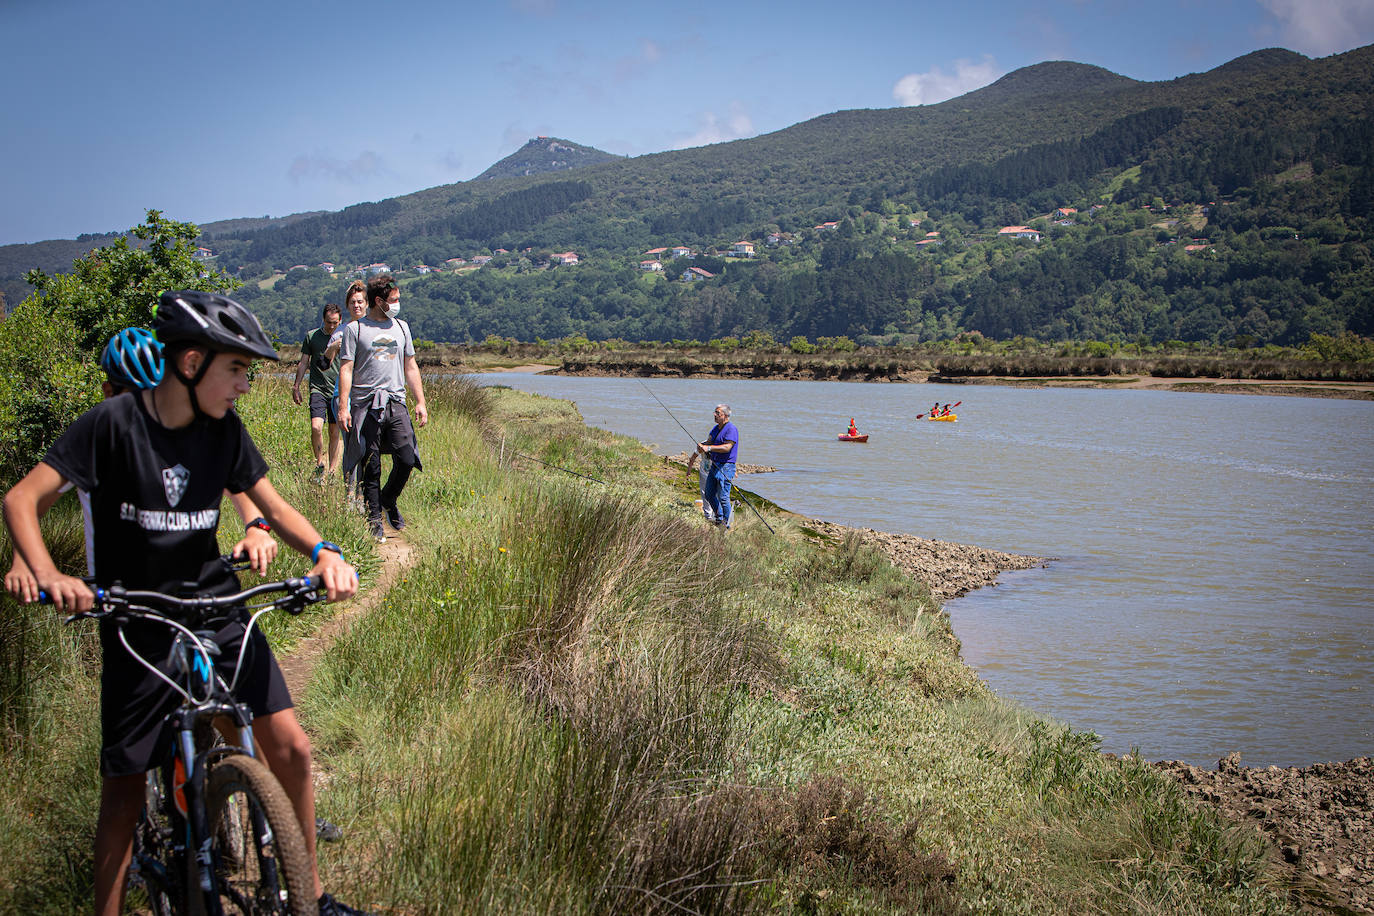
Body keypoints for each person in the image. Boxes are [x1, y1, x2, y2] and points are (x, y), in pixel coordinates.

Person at [2, 291, 369, 916]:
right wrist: (45, 572)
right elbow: (19, 500)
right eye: (237, 370)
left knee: (292, 751)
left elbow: (273, 508)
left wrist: (324, 551)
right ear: (192, 362)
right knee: (121, 795)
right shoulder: (110, 426)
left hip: (215, 604)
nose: (245, 387)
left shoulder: (222, 431)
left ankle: (309, 899)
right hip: (135, 615)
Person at [5, 327, 277, 599]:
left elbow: (236, 481)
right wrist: (26, 562)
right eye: (135, 395)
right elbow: (30, 501)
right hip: (124, 596)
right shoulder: (102, 437)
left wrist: (256, 527)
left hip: (189, 587)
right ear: (109, 393)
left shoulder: (182, 429)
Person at [337, 274, 427, 542]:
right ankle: (373, 518)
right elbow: (346, 368)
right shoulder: (356, 330)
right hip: (366, 405)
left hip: (395, 402)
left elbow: (410, 366)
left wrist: (420, 400)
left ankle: (388, 498)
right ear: (379, 301)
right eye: (394, 300)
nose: (398, 304)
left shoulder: (402, 328)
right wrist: (344, 407)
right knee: (371, 465)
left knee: (408, 458)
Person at [292, 303, 343, 478]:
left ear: (340, 321)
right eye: (328, 322)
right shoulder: (312, 336)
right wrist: (296, 386)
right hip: (318, 388)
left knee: (334, 431)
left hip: (337, 390)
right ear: (323, 319)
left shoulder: (344, 337)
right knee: (316, 427)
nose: (331, 326)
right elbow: (304, 362)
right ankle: (320, 463)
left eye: (335, 323)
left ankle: (332, 470)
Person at [687, 404, 738, 530]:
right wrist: (701, 446)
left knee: (723, 497)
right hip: (714, 465)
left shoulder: (731, 429)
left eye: (718, 413)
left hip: (726, 466)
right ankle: (719, 517)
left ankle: (726, 524)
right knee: (709, 494)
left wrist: (709, 448)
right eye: (714, 412)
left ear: (725, 416)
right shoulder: (715, 429)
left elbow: (727, 447)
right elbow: (709, 441)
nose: (714, 415)